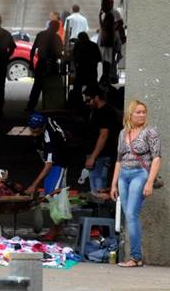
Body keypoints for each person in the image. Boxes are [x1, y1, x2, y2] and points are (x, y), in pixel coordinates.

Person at [111, 100, 161, 267]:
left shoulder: (150, 132)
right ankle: (135, 257)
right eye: (138, 112)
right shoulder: (123, 133)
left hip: (140, 174)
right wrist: (114, 184)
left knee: (131, 214)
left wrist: (149, 182)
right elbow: (118, 160)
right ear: (130, 115)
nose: (141, 115)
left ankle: (135, 257)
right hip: (123, 175)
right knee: (130, 215)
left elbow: (157, 158)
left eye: (143, 112)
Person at [24, 112, 69, 241]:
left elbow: (49, 164)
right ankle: (58, 228)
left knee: (53, 195)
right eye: (31, 130)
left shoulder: (50, 137)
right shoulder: (46, 121)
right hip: (53, 161)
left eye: (36, 131)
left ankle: (55, 229)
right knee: (50, 193)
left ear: (43, 127)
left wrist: (34, 185)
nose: (33, 134)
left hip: (59, 164)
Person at [83, 85, 121, 195]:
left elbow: (103, 136)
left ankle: (101, 210)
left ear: (96, 97)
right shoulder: (96, 110)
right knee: (95, 187)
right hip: (97, 155)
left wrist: (93, 157)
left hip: (101, 156)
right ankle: (99, 208)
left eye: (88, 100)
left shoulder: (106, 112)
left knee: (98, 189)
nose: (87, 103)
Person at [26, 20, 63, 112]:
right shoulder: (57, 37)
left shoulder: (41, 35)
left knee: (37, 85)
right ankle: (50, 106)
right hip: (52, 64)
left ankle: (30, 106)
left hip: (41, 63)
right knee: (51, 86)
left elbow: (33, 49)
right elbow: (58, 53)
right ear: (56, 28)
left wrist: (31, 62)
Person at [71, 32, 101, 101]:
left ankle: (78, 101)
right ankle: (92, 101)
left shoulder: (78, 45)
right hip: (91, 71)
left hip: (81, 70)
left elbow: (74, 57)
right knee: (93, 89)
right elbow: (98, 58)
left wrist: (75, 66)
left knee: (77, 88)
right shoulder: (94, 45)